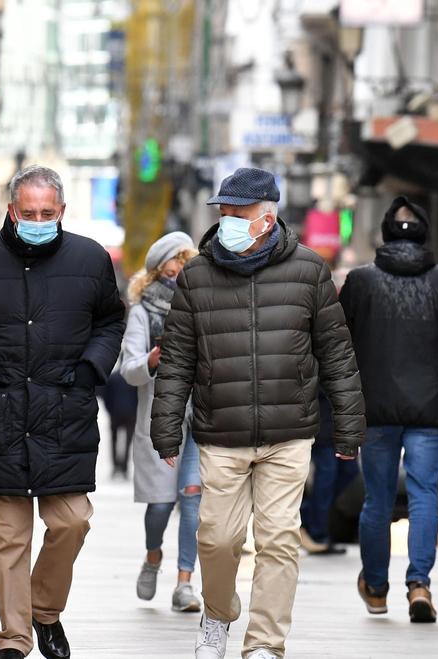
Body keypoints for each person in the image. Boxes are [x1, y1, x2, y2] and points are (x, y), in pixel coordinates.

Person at [150, 168, 365, 659]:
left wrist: (350, 428)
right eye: (223, 212)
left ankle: (266, 643)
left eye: (237, 213)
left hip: (289, 433)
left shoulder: (309, 271)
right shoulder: (197, 276)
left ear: (267, 218)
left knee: (279, 540)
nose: (226, 220)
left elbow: (336, 353)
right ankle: (218, 612)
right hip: (220, 433)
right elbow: (178, 357)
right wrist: (165, 430)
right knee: (217, 539)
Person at [0, 165, 125, 659]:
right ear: (12, 210)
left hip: (64, 409)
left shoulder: (90, 258)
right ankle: (14, 640)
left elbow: (110, 319)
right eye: (28, 212)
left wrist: (90, 368)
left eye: (47, 212)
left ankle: (44, 611)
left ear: (61, 211)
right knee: (9, 536)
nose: (37, 219)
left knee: (72, 522)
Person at [338, 196, 438, 623]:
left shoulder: (360, 282)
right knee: (424, 495)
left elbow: (335, 343)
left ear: (384, 236)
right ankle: (419, 584)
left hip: (375, 410)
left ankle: (375, 586)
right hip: (430, 410)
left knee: (378, 499)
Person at [121, 231, 202, 613]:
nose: (179, 268)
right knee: (159, 506)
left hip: (200, 419)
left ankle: (185, 582)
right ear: (158, 268)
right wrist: (152, 359)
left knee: (192, 500)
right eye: (174, 261)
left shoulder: (205, 304)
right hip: (159, 419)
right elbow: (129, 369)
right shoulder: (142, 311)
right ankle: (153, 556)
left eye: (186, 260)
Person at [299, 391, 357, 555]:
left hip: (340, 422)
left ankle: (309, 521)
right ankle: (316, 532)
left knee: (349, 471)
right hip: (321, 418)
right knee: (326, 477)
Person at [100, 369, 137, 478]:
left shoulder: (113, 377)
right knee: (128, 442)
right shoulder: (133, 378)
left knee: (114, 440)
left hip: (115, 413)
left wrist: (109, 410)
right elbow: (138, 397)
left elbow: (105, 396)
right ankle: (124, 468)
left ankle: (116, 467)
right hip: (131, 414)